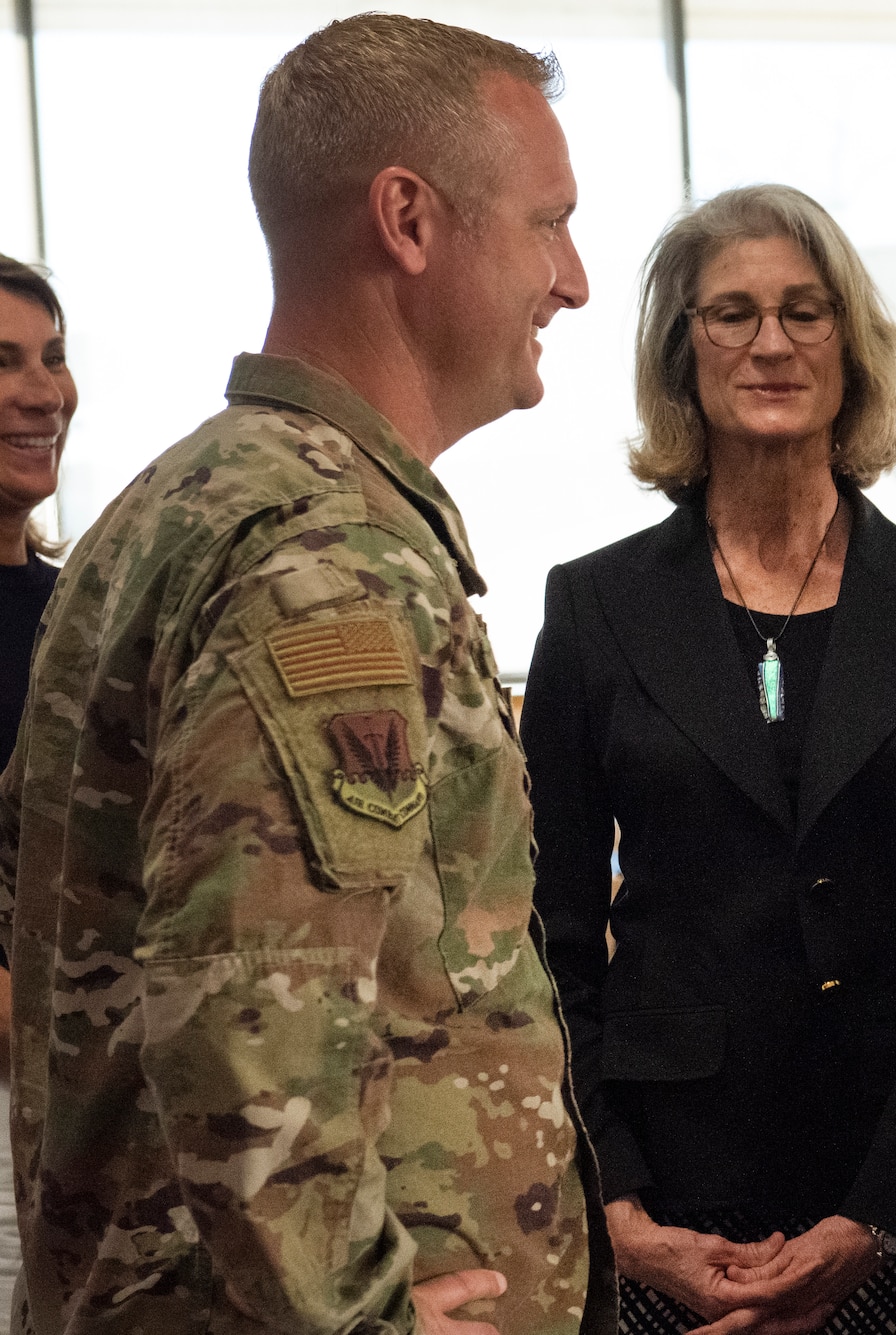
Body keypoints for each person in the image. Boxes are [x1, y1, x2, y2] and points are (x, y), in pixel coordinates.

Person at [0, 16, 615, 1334]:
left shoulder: (170, 507)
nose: (571, 278)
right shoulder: (323, 556)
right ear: (409, 218)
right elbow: (249, 1010)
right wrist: (362, 1319)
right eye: (546, 221)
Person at [524, 183, 896, 1335]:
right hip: (670, 1212)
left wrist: (876, 1221)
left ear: (851, 347)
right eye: (731, 314)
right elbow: (544, 935)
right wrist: (615, 1201)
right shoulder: (595, 608)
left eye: (805, 312)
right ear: (678, 351)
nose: (769, 344)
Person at [0, 253, 74, 1323]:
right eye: (3, 362)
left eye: (55, 359)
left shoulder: (81, 616)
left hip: (85, 1108)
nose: (42, 389)